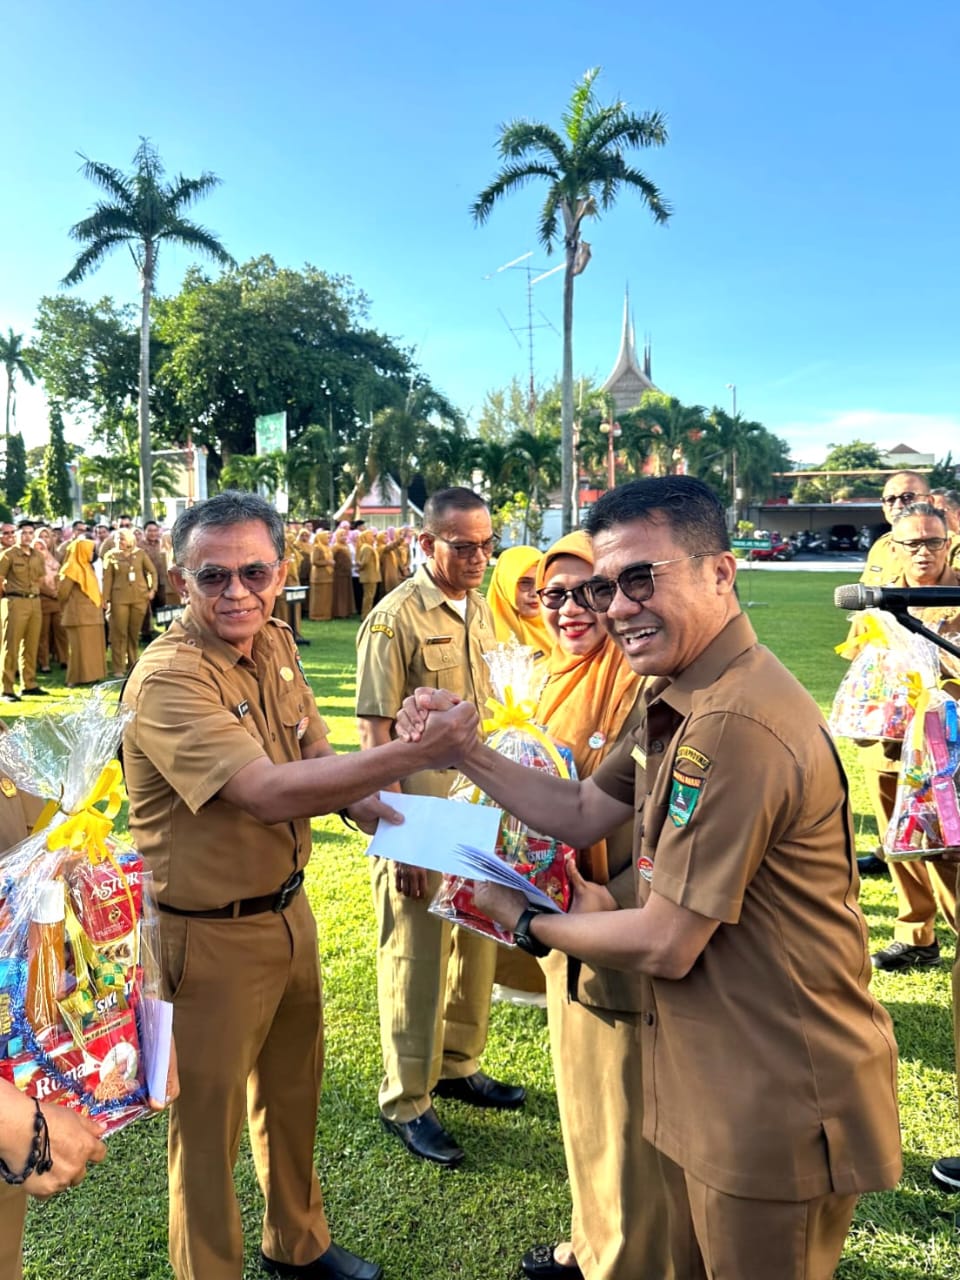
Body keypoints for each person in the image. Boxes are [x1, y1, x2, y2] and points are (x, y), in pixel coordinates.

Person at [399, 477, 903, 1280]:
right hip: (712, 1069)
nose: (617, 606)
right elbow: (578, 808)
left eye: (642, 578)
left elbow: (668, 940)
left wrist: (525, 924)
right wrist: (463, 751)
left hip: (772, 1088)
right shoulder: (680, 689)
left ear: (721, 574)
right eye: (606, 585)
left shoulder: (732, 722)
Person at [119, 490, 477, 1280]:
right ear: (182, 582)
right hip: (203, 933)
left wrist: (417, 832)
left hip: (287, 912)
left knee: (292, 1096)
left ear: (281, 574)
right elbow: (264, 793)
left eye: (254, 572)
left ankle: (298, 1246)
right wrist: (409, 754)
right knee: (205, 1135)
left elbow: (318, 767)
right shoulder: (169, 679)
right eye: (213, 577)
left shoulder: (275, 644)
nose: (237, 592)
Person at [355, 487, 524, 1169]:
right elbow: (372, 735)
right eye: (463, 545)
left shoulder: (481, 608)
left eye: (488, 543)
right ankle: (407, 1099)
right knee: (415, 958)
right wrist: (397, 838)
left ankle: (457, 1061)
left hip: (476, 808)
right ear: (424, 544)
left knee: (475, 944)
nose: (480, 556)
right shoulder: (394, 619)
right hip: (418, 813)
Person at [522, 532, 675, 1280]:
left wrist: (603, 902)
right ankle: (591, 1244)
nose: (575, 610)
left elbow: (641, 818)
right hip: (563, 910)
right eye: (555, 595)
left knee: (624, 1107)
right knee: (582, 1097)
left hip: (616, 913)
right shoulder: (546, 678)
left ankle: (625, 1260)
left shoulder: (645, 682)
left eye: (593, 591)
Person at [848, 502, 960, 972]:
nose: (923, 552)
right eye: (911, 543)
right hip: (889, 739)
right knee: (899, 838)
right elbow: (857, 654)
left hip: (947, 742)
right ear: (893, 546)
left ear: (949, 544)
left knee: (950, 842)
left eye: (933, 542)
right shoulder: (882, 598)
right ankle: (916, 935)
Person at [0, 521, 46, 704]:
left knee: (31, 644)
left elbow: (40, 578)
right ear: (16, 535)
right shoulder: (7, 555)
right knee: (10, 645)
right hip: (15, 601)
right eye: (24, 532)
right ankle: (7, 689)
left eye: (30, 533)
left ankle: (29, 684)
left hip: (34, 601)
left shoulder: (37, 555)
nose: (27, 536)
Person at [102, 528, 155, 677]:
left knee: (133, 633)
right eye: (118, 539)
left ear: (130, 540)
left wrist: (152, 589)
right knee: (119, 633)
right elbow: (107, 579)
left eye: (122, 539)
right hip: (119, 598)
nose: (120, 541)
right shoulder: (111, 555)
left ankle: (133, 664)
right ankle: (118, 667)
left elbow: (152, 571)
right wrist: (105, 598)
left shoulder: (140, 554)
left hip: (139, 597)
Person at [486, 544, 553, 661]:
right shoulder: (481, 635)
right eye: (525, 583)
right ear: (505, 584)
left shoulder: (561, 628)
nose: (535, 593)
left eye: (541, 581)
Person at [57, 538, 107, 687]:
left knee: (92, 648)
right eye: (91, 551)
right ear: (82, 551)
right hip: (78, 616)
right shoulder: (71, 568)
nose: (94, 554)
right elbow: (62, 593)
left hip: (93, 615)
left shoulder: (87, 567)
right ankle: (73, 679)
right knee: (79, 649)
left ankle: (91, 676)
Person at [35, 527, 68, 674]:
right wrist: (50, 593)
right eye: (40, 538)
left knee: (61, 631)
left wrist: (58, 592)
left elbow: (62, 575)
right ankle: (44, 663)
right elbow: (36, 581)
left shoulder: (57, 557)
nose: (44, 542)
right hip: (42, 599)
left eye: (46, 537)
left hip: (58, 599)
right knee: (43, 633)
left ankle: (64, 659)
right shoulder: (33, 558)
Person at [309, 531, 334, 621]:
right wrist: (328, 562)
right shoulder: (317, 548)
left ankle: (326, 615)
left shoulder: (327, 547)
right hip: (319, 577)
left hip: (328, 576)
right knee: (318, 598)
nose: (328, 539)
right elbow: (314, 561)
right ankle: (316, 615)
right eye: (327, 537)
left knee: (326, 597)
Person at [356, 529, 380, 620]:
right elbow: (364, 562)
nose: (373, 538)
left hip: (371, 575)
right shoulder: (367, 547)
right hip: (369, 576)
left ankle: (367, 614)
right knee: (368, 597)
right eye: (371, 536)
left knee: (369, 596)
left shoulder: (368, 547)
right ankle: (365, 615)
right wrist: (359, 567)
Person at [331, 529, 354, 618]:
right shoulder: (335, 547)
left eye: (345, 535)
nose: (344, 537)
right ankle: (339, 613)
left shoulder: (347, 546)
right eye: (341, 535)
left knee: (346, 594)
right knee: (340, 594)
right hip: (339, 574)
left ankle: (347, 612)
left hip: (347, 573)